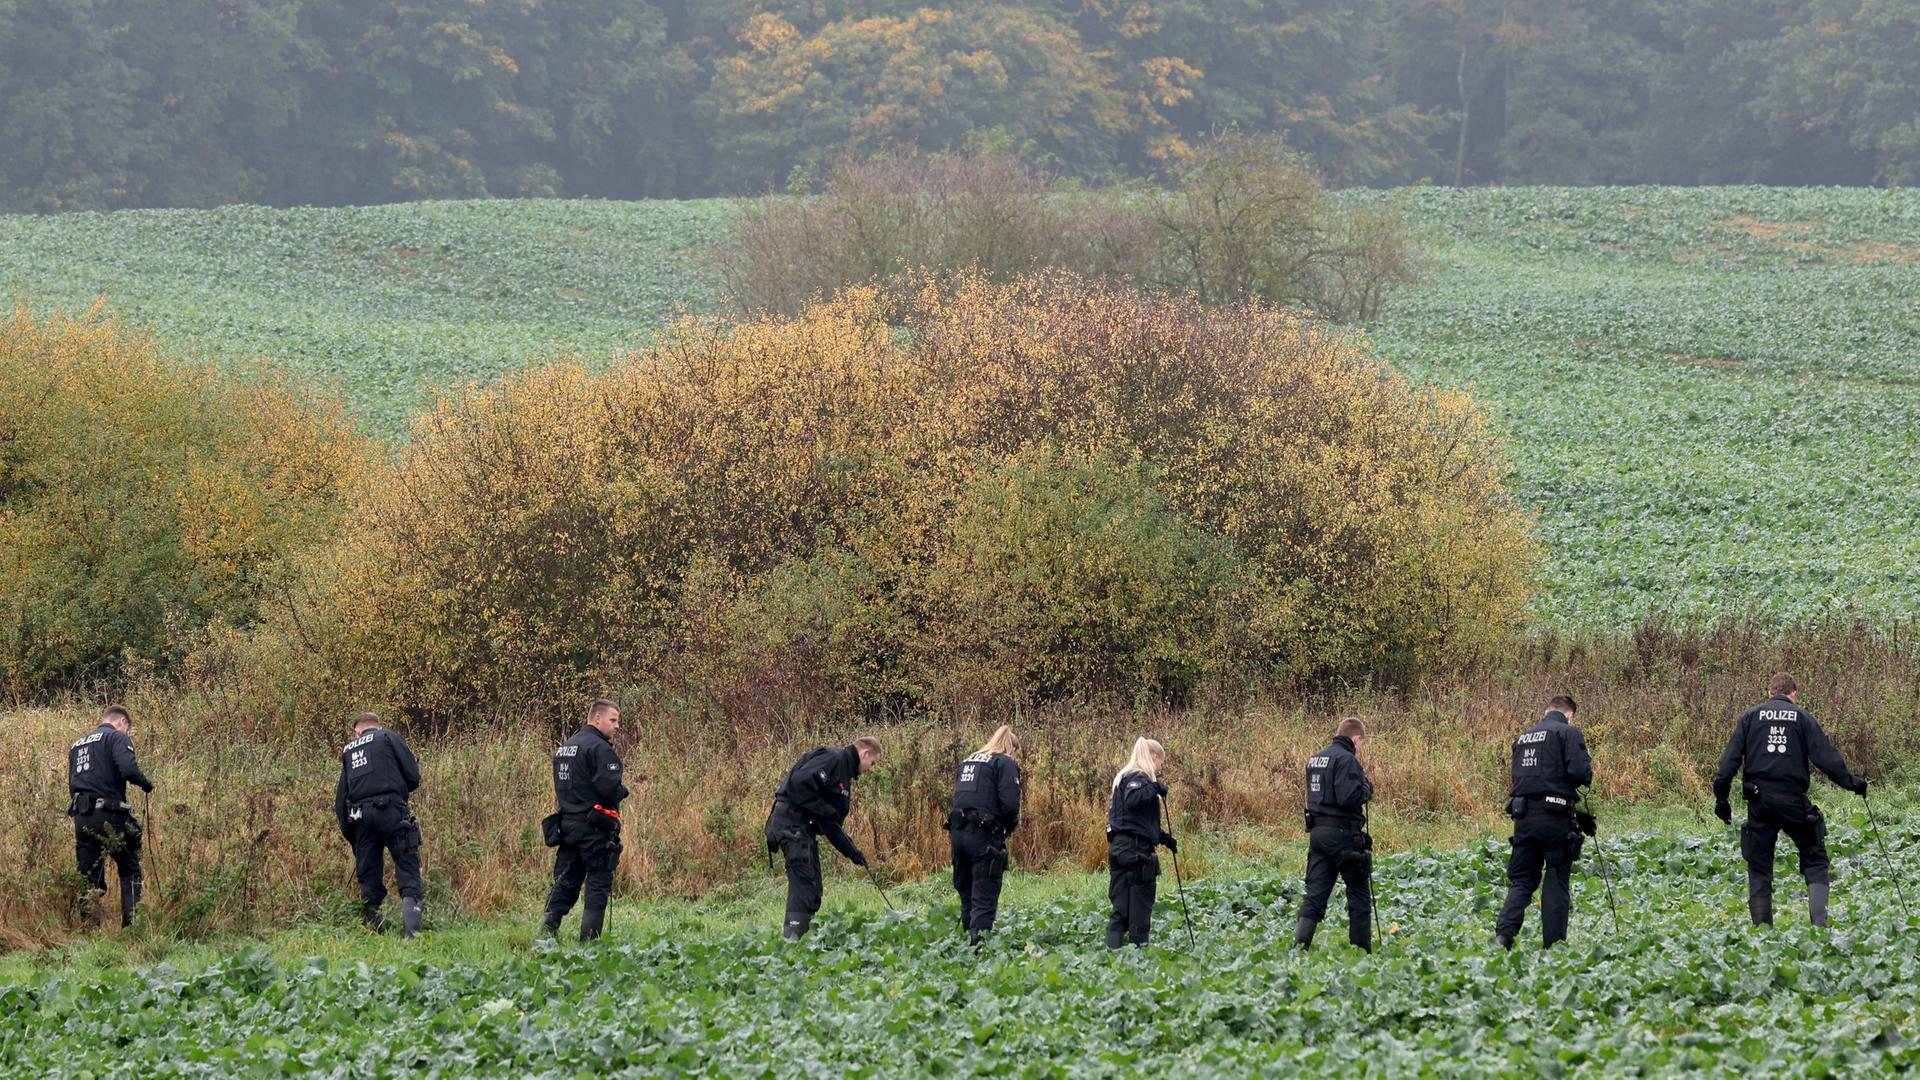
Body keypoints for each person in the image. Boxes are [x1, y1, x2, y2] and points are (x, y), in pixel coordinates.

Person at [1713, 672, 1868, 927]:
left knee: (1760, 865)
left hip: (1759, 802)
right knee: (1815, 858)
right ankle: (1819, 926)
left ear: (1769, 693)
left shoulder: (1751, 717)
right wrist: (1853, 784)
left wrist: (1722, 799)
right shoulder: (1802, 717)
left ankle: (1763, 931)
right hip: (1793, 801)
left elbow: (1728, 762)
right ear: (1793, 694)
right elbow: (1826, 758)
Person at [1494, 695, 1593, 949]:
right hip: (1555, 819)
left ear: (1547, 711)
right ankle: (1554, 945)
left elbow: (1524, 781)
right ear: (1569, 715)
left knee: (1523, 880)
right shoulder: (1567, 733)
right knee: (1556, 877)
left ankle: (1503, 936)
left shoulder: (1523, 737)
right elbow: (1580, 773)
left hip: (1524, 818)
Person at [765, 737, 881, 939]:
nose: (871, 769)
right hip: (791, 825)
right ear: (865, 754)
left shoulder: (844, 775)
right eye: (873, 763)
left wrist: (854, 854)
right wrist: (823, 809)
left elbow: (832, 825)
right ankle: (792, 943)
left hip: (802, 830)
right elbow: (799, 783)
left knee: (814, 890)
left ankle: (802, 938)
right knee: (805, 885)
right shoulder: (833, 758)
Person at [540, 699, 629, 941]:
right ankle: (590, 942)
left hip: (567, 825)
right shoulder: (600, 749)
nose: (617, 726)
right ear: (596, 719)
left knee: (566, 880)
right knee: (598, 881)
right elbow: (609, 788)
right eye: (613, 720)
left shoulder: (565, 747)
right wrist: (623, 791)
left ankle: (547, 932)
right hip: (594, 827)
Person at [334, 711, 423, 937]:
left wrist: (351, 834)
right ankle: (412, 935)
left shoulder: (348, 751)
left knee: (368, 875)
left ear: (357, 731)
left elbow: (340, 799)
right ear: (378, 725)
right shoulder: (388, 737)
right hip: (393, 812)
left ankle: (374, 932)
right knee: (407, 867)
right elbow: (413, 776)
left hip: (361, 818)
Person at [67, 705, 154, 928]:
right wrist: (146, 784)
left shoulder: (77, 745)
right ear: (122, 722)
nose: (127, 734)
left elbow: (73, 784)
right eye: (128, 730)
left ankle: (90, 931)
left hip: (83, 817)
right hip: (109, 815)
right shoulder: (116, 737)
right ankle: (131, 928)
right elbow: (128, 769)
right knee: (130, 868)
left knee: (89, 878)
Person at [1294, 717, 1375, 952]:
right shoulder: (1347, 760)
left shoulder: (1315, 759)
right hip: (1344, 837)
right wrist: (1367, 790)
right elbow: (1348, 797)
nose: (1360, 748)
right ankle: (1361, 952)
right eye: (1361, 743)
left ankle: (1299, 949)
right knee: (1359, 895)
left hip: (1318, 836)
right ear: (1356, 738)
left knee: (1315, 895)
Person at [947, 725, 1021, 944]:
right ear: (1011, 748)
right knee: (984, 896)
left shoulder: (968, 761)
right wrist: (1008, 828)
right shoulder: (1005, 762)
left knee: (967, 893)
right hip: (984, 837)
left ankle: (966, 945)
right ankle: (979, 952)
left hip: (957, 834)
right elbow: (1010, 805)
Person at [1105, 737, 1177, 949]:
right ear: (1154, 757)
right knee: (1139, 914)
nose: (1161, 768)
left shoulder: (1122, 778)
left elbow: (1134, 821)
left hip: (1119, 850)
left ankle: (1112, 957)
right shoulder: (1138, 777)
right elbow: (1134, 799)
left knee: (1120, 912)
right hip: (1136, 855)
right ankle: (1138, 961)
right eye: (1161, 762)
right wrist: (1155, 787)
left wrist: (1163, 838)